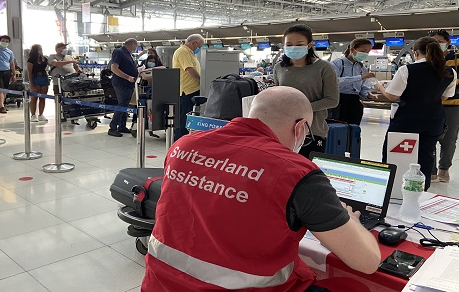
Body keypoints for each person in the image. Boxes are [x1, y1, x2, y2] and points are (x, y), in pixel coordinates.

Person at [142, 86, 381, 292]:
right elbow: (367, 261)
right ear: (300, 128)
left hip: (161, 283)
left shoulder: (184, 145)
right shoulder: (296, 171)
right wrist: (350, 219)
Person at [376, 37, 456, 190]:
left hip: (406, 120)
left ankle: (391, 190)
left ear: (415, 52)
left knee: (395, 155)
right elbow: (444, 97)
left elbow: (393, 96)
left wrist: (380, 87)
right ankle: (420, 190)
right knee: (425, 157)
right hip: (433, 121)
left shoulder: (407, 69)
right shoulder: (449, 72)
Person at [273, 24, 339, 158]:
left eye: (299, 44)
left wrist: (302, 108)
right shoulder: (279, 67)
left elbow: (332, 100)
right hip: (283, 130)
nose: (293, 48)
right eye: (289, 44)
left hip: (312, 131)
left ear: (309, 45)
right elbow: (277, 94)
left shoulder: (324, 68)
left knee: (307, 174)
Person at [428, 30, 459, 183]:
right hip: (430, 105)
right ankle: (431, 170)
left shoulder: (456, 59)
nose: (436, 44)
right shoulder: (427, 60)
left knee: (449, 139)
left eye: (439, 41)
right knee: (429, 136)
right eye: (432, 41)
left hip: (453, 106)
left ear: (448, 43)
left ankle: (444, 169)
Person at [330, 38, 378, 125]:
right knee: (338, 128)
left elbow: (363, 87)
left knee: (354, 129)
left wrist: (368, 94)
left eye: (368, 52)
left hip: (355, 102)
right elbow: (334, 82)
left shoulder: (361, 67)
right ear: (352, 50)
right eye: (363, 51)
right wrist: (360, 77)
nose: (365, 54)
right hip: (339, 102)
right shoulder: (338, 63)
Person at [173, 34, 204, 141]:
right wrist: (202, 81)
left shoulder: (189, 53)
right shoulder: (183, 52)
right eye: (199, 46)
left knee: (188, 119)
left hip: (192, 90)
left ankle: (185, 141)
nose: (198, 49)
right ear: (193, 43)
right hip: (186, 91)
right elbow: (190, 70)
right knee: (183, 120)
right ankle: (179, 143)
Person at [108, 38, 138, 137]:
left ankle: (122, 126)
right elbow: (114, 68)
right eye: (136, 46)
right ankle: (112, 127)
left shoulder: (127, 54)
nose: (135, 48)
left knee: (125, 104)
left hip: (128, 83)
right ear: (132, 45)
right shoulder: (119, 52)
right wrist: (128, 77)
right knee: (122, 104)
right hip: (121, 83)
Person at [26, 44, 49, 122]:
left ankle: (41, 114)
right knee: (34, 98)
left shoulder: (44, 59)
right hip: (35, 78)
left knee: (43, 97)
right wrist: (31, 84)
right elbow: (29, 72)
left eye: (41, 48)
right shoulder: (31, 60)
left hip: (44, 77)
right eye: (39, 49)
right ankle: (33, 115)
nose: (40, 50)